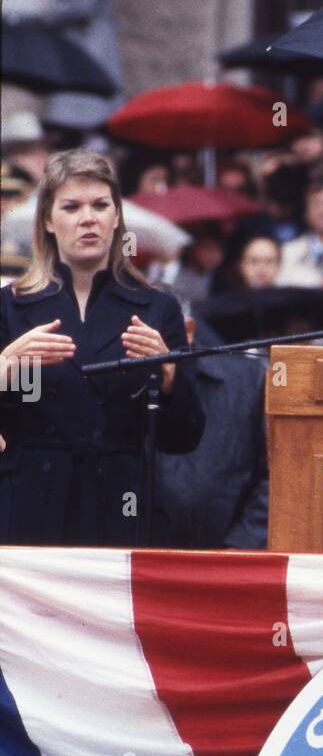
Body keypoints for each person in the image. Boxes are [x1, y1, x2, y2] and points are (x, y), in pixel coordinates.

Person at [0, 149, 204, 546]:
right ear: (48, 220)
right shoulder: (9, 306)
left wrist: (169, 377)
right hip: (29, 511)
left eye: (99, 205)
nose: (87, 218)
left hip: (122, 508)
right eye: (72, 207)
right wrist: (3, 368)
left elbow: (184, 438)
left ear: (116, 218)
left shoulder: (156, 307)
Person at [12, 0, 125, 144]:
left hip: (88, 42)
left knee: (84, 109)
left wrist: (47, 13)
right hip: (78, 41)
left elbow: (82, 6)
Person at [156, 313, 268, 549]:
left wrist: (241, 546)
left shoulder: (246, 381)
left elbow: (271, 475)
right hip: (135, 556)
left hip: (229, 558)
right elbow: (123, 492)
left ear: (188, 330)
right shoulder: (114, 382)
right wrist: (125, 538)